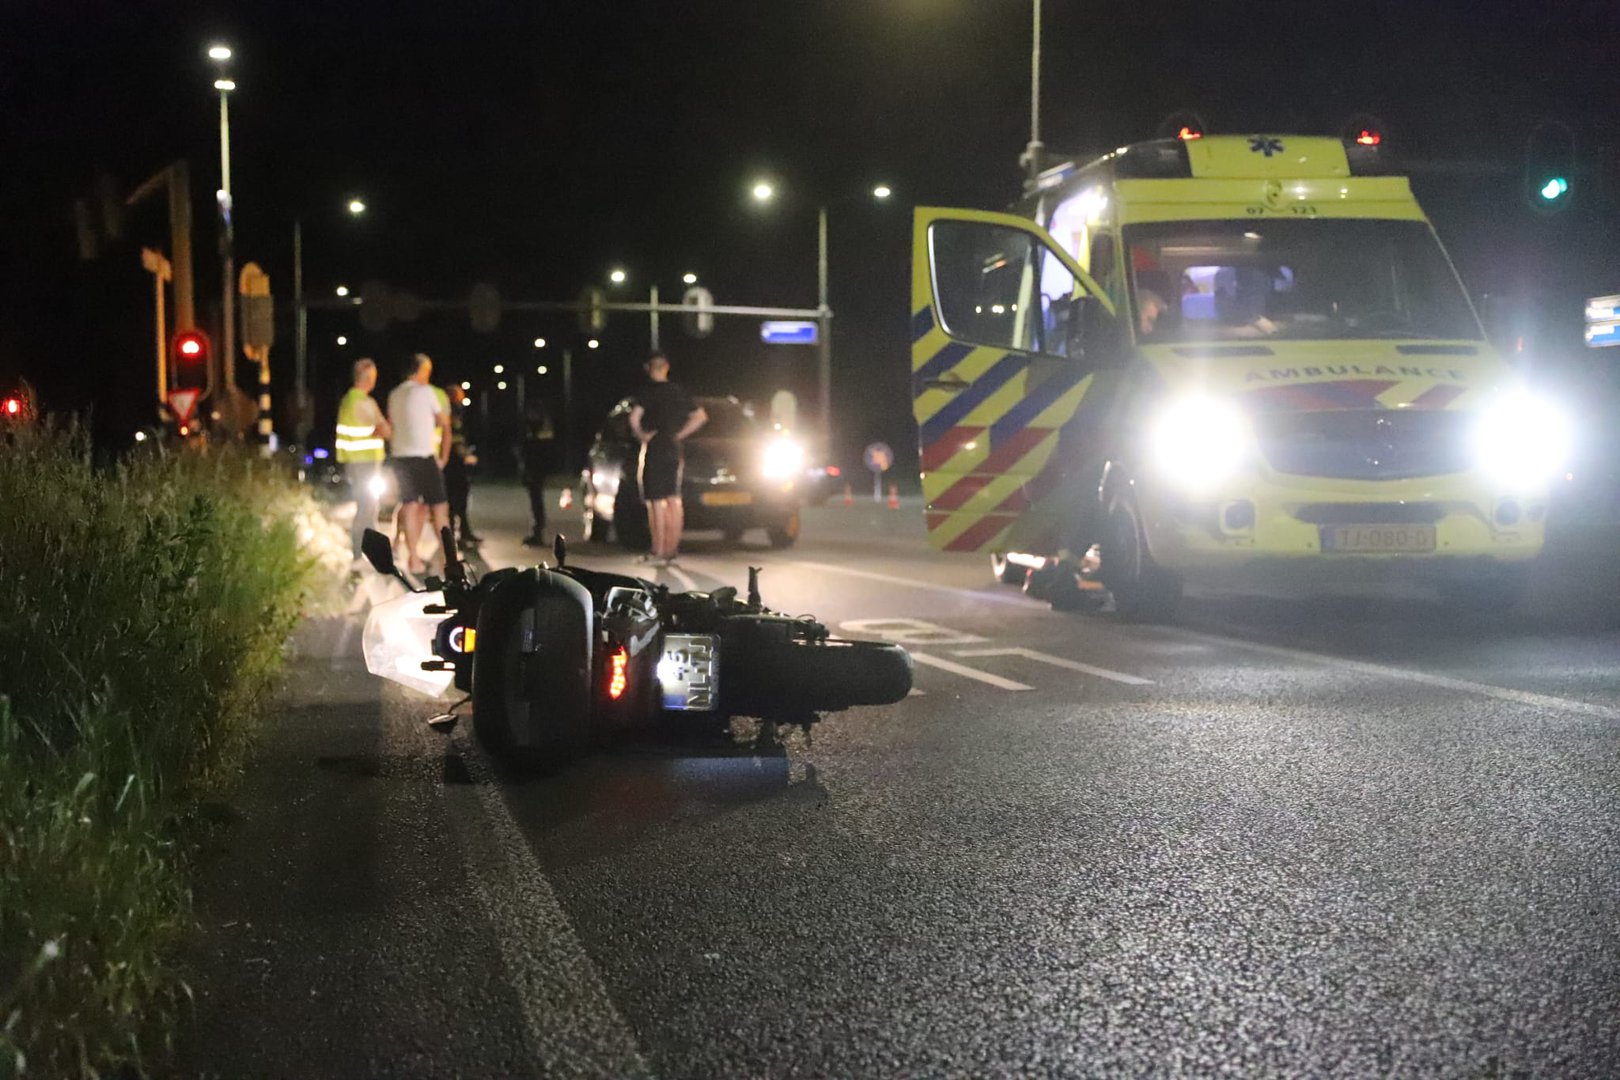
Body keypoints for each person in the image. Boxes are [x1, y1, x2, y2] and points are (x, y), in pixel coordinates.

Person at [629, 350, 706, 565]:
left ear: (648, 368)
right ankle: (672, 550)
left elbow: (634, 418)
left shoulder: (647, 392)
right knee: (673, 498)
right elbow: (700, 416)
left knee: (655, 501)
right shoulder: (679, 392)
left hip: (654, 448)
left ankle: (658, 550)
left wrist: (642, 435)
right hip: (673, 448)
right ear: (667, 367)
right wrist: (680, 434)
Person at [386, 353, 450, 575]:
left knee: (410, 505)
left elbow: (392, 425)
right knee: (439, 508)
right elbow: (444, 423)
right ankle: (448, 557)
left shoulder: (394, 394)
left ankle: (413, 558)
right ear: (421, 370)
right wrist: (443, 457)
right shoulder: (426, 392)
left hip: (400, 456)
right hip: (423, 455)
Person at [334, 358, 392, 569]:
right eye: (373, 376)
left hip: (358, 463)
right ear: (367, 378)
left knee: (368, 507)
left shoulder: (349, 401)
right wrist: (382, 428)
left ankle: (369, 553)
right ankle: (358, 556)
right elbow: (385, 430)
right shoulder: (362, 402)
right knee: (366, 508)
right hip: (364, 463)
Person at [443, 393, 481, 549]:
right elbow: (456, 439)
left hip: (454, 463)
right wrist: (465, 454)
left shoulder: (453, 413)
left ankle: (463, 532)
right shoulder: (449, 414)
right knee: (455, 500)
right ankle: (454, 535)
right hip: (453, 463)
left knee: (460, 500)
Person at [518, 397, 556, 548]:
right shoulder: (540, 426)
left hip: (535, 468)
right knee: (535, 500)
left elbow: (535, 449)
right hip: (534, 467)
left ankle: (538, 532)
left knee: (536, 500)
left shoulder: (538, 427)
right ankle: (537, 531)